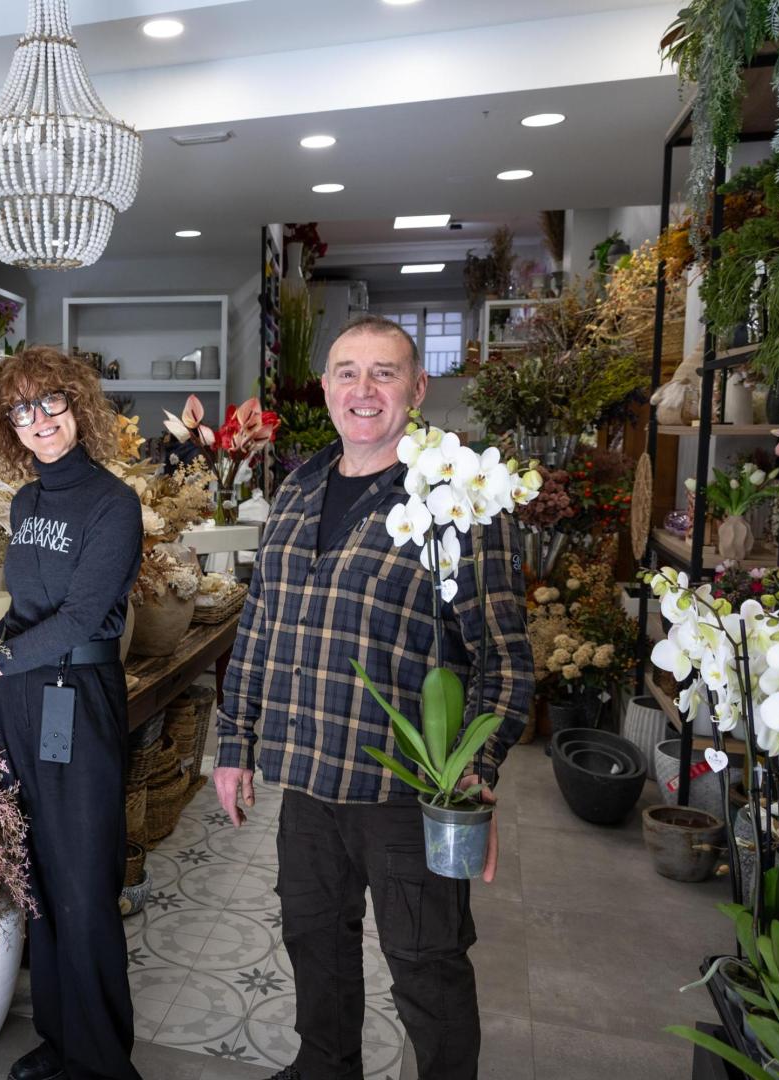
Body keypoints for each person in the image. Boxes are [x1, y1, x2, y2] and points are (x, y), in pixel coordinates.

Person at [213, 316, 532, 1080]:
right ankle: (325, 1067)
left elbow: (506, 663)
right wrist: (233, 744)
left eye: (384, 373)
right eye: (347, 372)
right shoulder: (296, 488)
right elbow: (258, 623)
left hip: (407, 793)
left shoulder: (456, 502)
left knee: (427, 966)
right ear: (324, 387)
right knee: (313, 941)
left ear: (418, 389)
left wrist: (475, 775)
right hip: (309, 783)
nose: (363, 390)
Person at [0, 346, 143, 1080]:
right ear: (9, 424)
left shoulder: (113, 504)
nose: (39, 420)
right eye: (22, 409)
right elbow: (28, 611)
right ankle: (61, 1039)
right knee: (35, 873)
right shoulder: (25, 502)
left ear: (78, 407)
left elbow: (79, 617)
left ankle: (103, 1061)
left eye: (52, 402)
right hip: (21, 699)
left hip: (79, 703)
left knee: (83, 884)